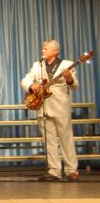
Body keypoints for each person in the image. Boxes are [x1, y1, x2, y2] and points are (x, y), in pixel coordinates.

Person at [21, 39, 79, 181]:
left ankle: (71, 170)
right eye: (43, 48)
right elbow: (25, 80)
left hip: (60, 106)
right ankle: (54, 170)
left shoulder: (67, 64)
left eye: (46, 48)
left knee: (66, 139)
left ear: (55, 51)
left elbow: (74, 86)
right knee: (49, 141)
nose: (43, 50)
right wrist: (31, 86)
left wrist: (69, 79)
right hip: (43, 106)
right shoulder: (37, 65)